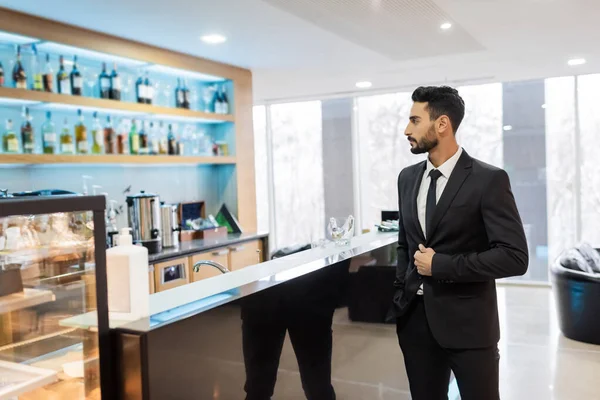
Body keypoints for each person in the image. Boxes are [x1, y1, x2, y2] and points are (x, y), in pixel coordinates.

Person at [392, 86, 529, 400]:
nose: (406, 130)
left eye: (415, 120)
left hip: (470, 327)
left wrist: (440, 265)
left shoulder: (488, 180)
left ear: (442, 124)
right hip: (416, 323)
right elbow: (405, 243)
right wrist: (402, 293)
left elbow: (514, 257)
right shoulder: (407, 178)